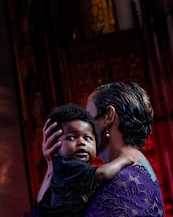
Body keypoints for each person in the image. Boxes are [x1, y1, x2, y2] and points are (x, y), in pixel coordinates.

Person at [41, 82, 164, 217]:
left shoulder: (123, 179)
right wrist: (52, 168)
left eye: (88, 117)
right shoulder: (133, 167)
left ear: (108, 116)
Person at [35, 103, 132, 216]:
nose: (81, 142)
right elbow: (103, 173)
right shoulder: (68, 165)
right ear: (55, 145)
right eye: (71, 137)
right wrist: (125, 159)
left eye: (88, 138)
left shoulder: (61, 166)